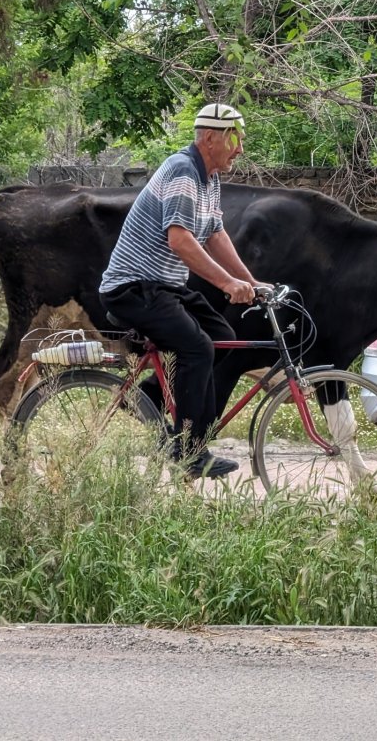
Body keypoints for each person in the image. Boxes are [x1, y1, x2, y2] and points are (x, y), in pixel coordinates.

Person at [99, 102, 263, 478]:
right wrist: (226, 283)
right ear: (209, 138)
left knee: (221, 337)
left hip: (163, 286)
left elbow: (215, 234)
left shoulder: (210, 177)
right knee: (198, 348)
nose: (240, 148)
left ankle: (147, 397)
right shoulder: (183, 171)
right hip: (132, 287)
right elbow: (181, 241)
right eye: (234, 139)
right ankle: (189, 453)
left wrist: (250, 282)